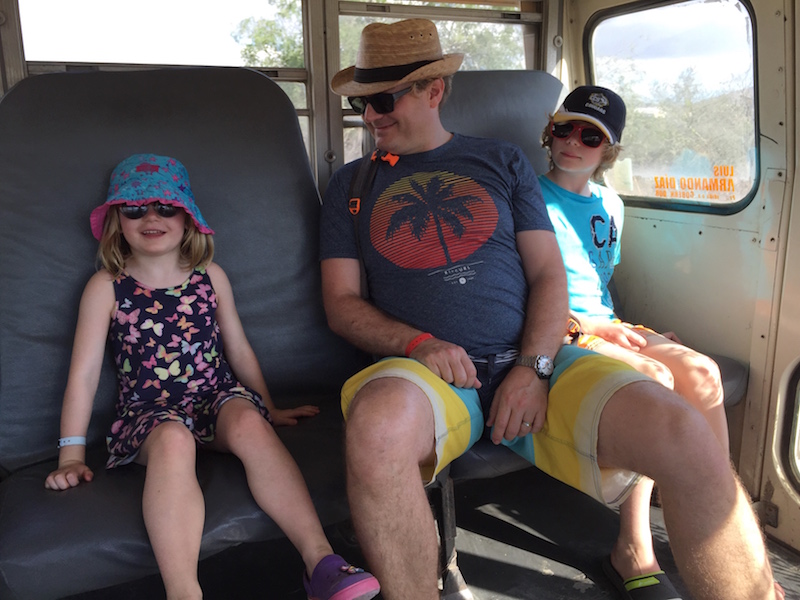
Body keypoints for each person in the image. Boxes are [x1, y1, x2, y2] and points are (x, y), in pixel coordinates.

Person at [319, 18, 780, 600]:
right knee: (377, 431)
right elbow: (341, 304)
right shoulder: (351, 185)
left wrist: (534, 367)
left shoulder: (502, 162)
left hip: (539, 359)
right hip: (425, 371)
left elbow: (546, 274)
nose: (370, 116)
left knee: (683, 430)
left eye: (383, 100)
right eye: (361, 102)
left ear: (433, 91)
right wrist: (418, 343)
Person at [44, 154, 380, 600]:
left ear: (187, 217)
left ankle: (320, 561)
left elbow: (237, 348)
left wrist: (268, 407)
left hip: (216, 397)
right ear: (116, 221)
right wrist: (71, 455)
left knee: (250, 423)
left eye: (166, 207)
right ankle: (184, 592)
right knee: (174, 441)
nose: (151, 217)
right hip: (150, 413)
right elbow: (84, 375)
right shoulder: (106, 287)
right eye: (135, 208)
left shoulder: (210, 277)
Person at [540, 85, 734, 595]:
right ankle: (633, 548)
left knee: (702, 372)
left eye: (591, 136)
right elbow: (522, 288)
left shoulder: (610, 203)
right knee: (655, 379)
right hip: (558, 327)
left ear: (609, 151)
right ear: (549, 133)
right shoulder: (528, 198)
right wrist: (594, 329)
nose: (573, 142)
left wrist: (631, 331)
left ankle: (721, 528)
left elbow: (599, 285)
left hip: (607, 323)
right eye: (565, 128)